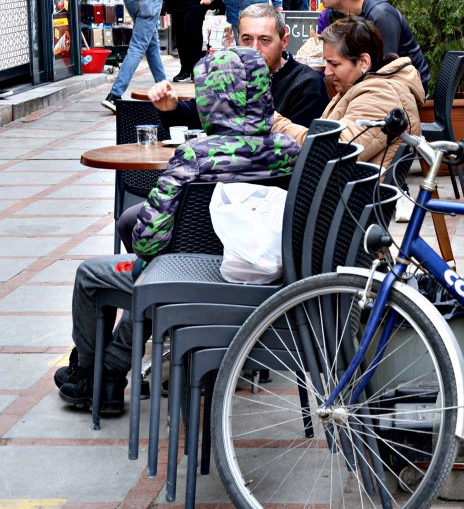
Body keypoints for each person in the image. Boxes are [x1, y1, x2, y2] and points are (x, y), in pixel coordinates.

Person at [55, 48, 301, 413]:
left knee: (94, 274)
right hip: (260, 276)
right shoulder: (288, 149)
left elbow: (147, 240)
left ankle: (90, 375)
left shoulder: (194, 157)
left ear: (210, 97)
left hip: (192, 279)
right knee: (150, 282)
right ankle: (110, 372)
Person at [150, 2, 329, 138]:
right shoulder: (230, 72)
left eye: (264, 40)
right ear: (237, 40)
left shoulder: (306, 83)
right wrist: (171, 108)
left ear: (284, 41)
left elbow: (299, 145)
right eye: (247, 39)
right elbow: (197, 116)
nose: (255, 49)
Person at [272, 16, 424, 171]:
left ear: (364, 62)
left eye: (334, 63)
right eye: (326, 62)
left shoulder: (381, 96)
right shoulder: (357, 87)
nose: (327, 71)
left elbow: (331, 152)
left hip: (352, 186)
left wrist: (272, 121)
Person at [317, 0, 429, 89]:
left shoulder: (381, 16)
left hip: (406, 87)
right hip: (367, 82)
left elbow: (386, 69)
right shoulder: (336, 13)